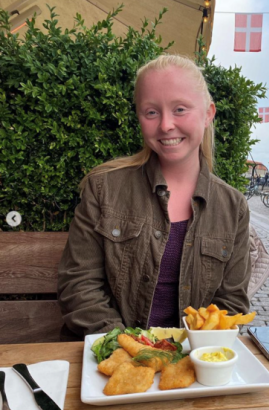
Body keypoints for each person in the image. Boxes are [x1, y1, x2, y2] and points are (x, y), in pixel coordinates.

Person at [57, 55, 252, 338]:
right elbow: (78, 285)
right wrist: (131, 349)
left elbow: (231, 303)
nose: (165, 125)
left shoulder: (233, 207)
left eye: (180, 109)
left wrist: (183, 353)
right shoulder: (103, 188)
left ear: (208, 113)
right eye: (151, 112)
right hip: (112, 357)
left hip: (191, 365)